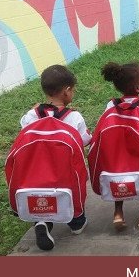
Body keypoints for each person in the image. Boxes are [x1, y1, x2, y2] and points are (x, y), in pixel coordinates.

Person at [19, 64, 91, 251]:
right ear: (67, 91)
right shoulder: (74, 117)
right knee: (72, 192)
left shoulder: (31, 115)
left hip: (36, 171)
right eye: (73, 90)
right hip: (64, 172)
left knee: (42, 195)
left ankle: (42, 221)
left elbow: (24, 134)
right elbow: (83, 141)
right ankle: (76, 223)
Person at [101, 61, 139, 229]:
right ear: (138, 88)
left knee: (118, 178)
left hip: (117, 153)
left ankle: (118, 212)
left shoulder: (112, 104)